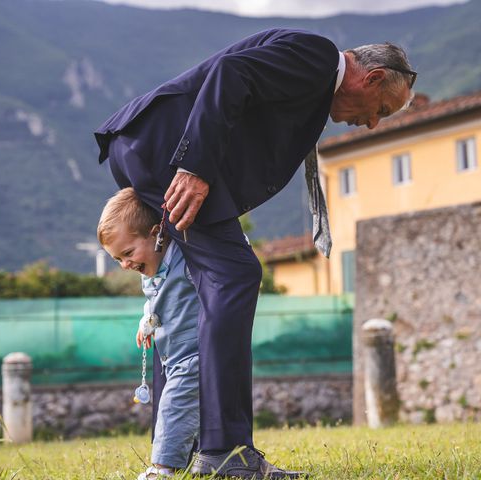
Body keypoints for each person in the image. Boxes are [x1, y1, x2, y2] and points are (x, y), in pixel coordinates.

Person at [94, 28, 415, 478]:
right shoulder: (317, 57)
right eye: (381, 110)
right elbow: (231, 73)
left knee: (189, 294)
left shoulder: (316, 82)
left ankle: (177, 451)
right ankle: (227, 454)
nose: (373, 123)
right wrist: (197, 165)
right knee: (236, 275)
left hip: (147, 144)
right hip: (166, 150)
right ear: (373, 77)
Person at [97, 187, 200, 480]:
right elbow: (153, 300)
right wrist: (147, 321)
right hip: (172, 358)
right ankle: (199, 458)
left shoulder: (183, 255)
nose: (126, 265)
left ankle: (163, 468)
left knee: (174, 407)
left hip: (193, 355)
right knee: (188, 412)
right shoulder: (149, 272)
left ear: (156, 234)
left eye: (128, 253)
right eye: (118, 260)